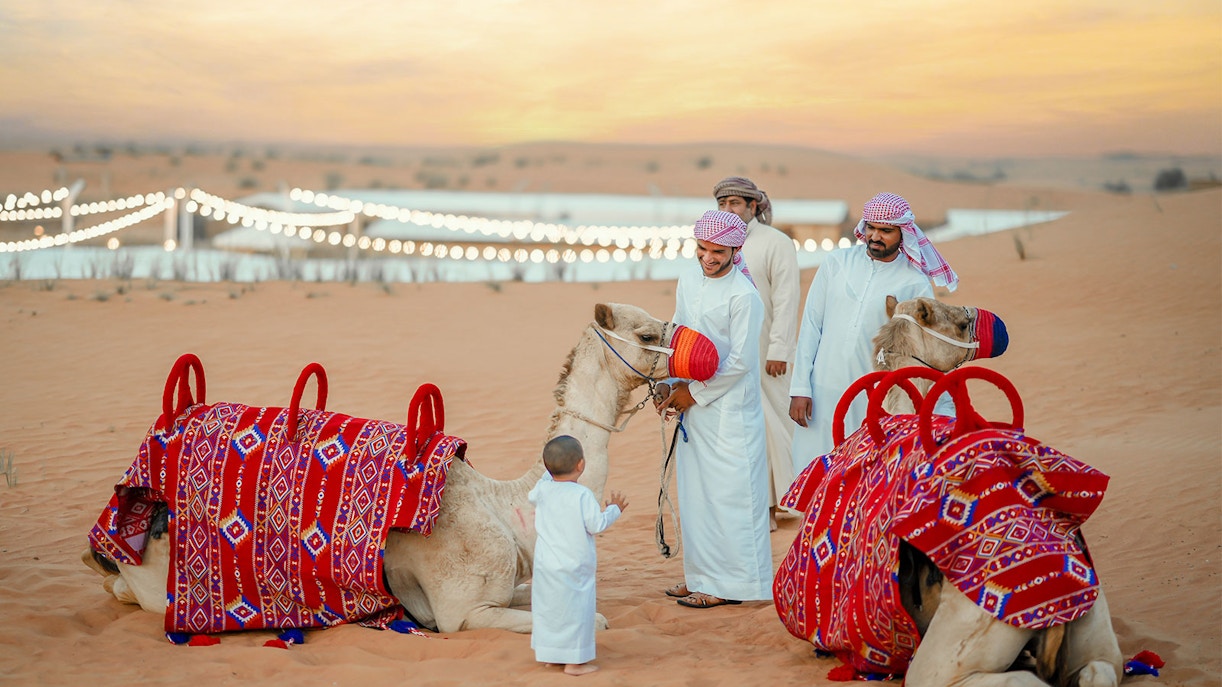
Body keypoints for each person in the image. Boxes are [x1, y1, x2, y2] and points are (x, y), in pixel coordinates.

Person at [789, 192, 959, 473]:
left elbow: (923, 352)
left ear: (904, 233)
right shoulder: (837, 263)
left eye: (886, 230)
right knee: (814, 475)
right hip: (820, 392)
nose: (876, 236)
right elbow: (810, 326)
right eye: (871, 227)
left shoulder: (913, 282)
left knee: (860, 476)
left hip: (873, 399)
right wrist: (799, 388)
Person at [655, 209, 772, 609]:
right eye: (702, 248)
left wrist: (696, 395)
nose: (708, 257)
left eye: (718, 251)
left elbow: (739, 362)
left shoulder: (745, 295)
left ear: (736, 249)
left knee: (730, 497)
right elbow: (678, 331)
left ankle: (733, 586)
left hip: (730, 410)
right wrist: (669, 383)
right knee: (695, 494)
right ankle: (700, 577)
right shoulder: (688, 277)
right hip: (693, 401)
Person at [713, 176, 800, 529]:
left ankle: (783, 502)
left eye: (735, 203)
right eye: (722, 204)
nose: (728, 210)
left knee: (772, 427)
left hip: (767, 352)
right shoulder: (714, 244)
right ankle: (757, 508)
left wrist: (779, 349)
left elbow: (786, 299)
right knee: (744, 427)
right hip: (728, 351)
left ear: (753, 206)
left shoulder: (775, 243)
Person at [529, 435, 628, 676]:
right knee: (576, 612)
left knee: (549, 609)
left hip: (545, 566)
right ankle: (574, 663)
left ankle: (552, 656)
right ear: (581, 465)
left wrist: (547, 473)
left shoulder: (542, 489)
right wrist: (614, 510)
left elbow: (533, 494)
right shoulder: (581, 495)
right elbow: (596, 524)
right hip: (574, 567)